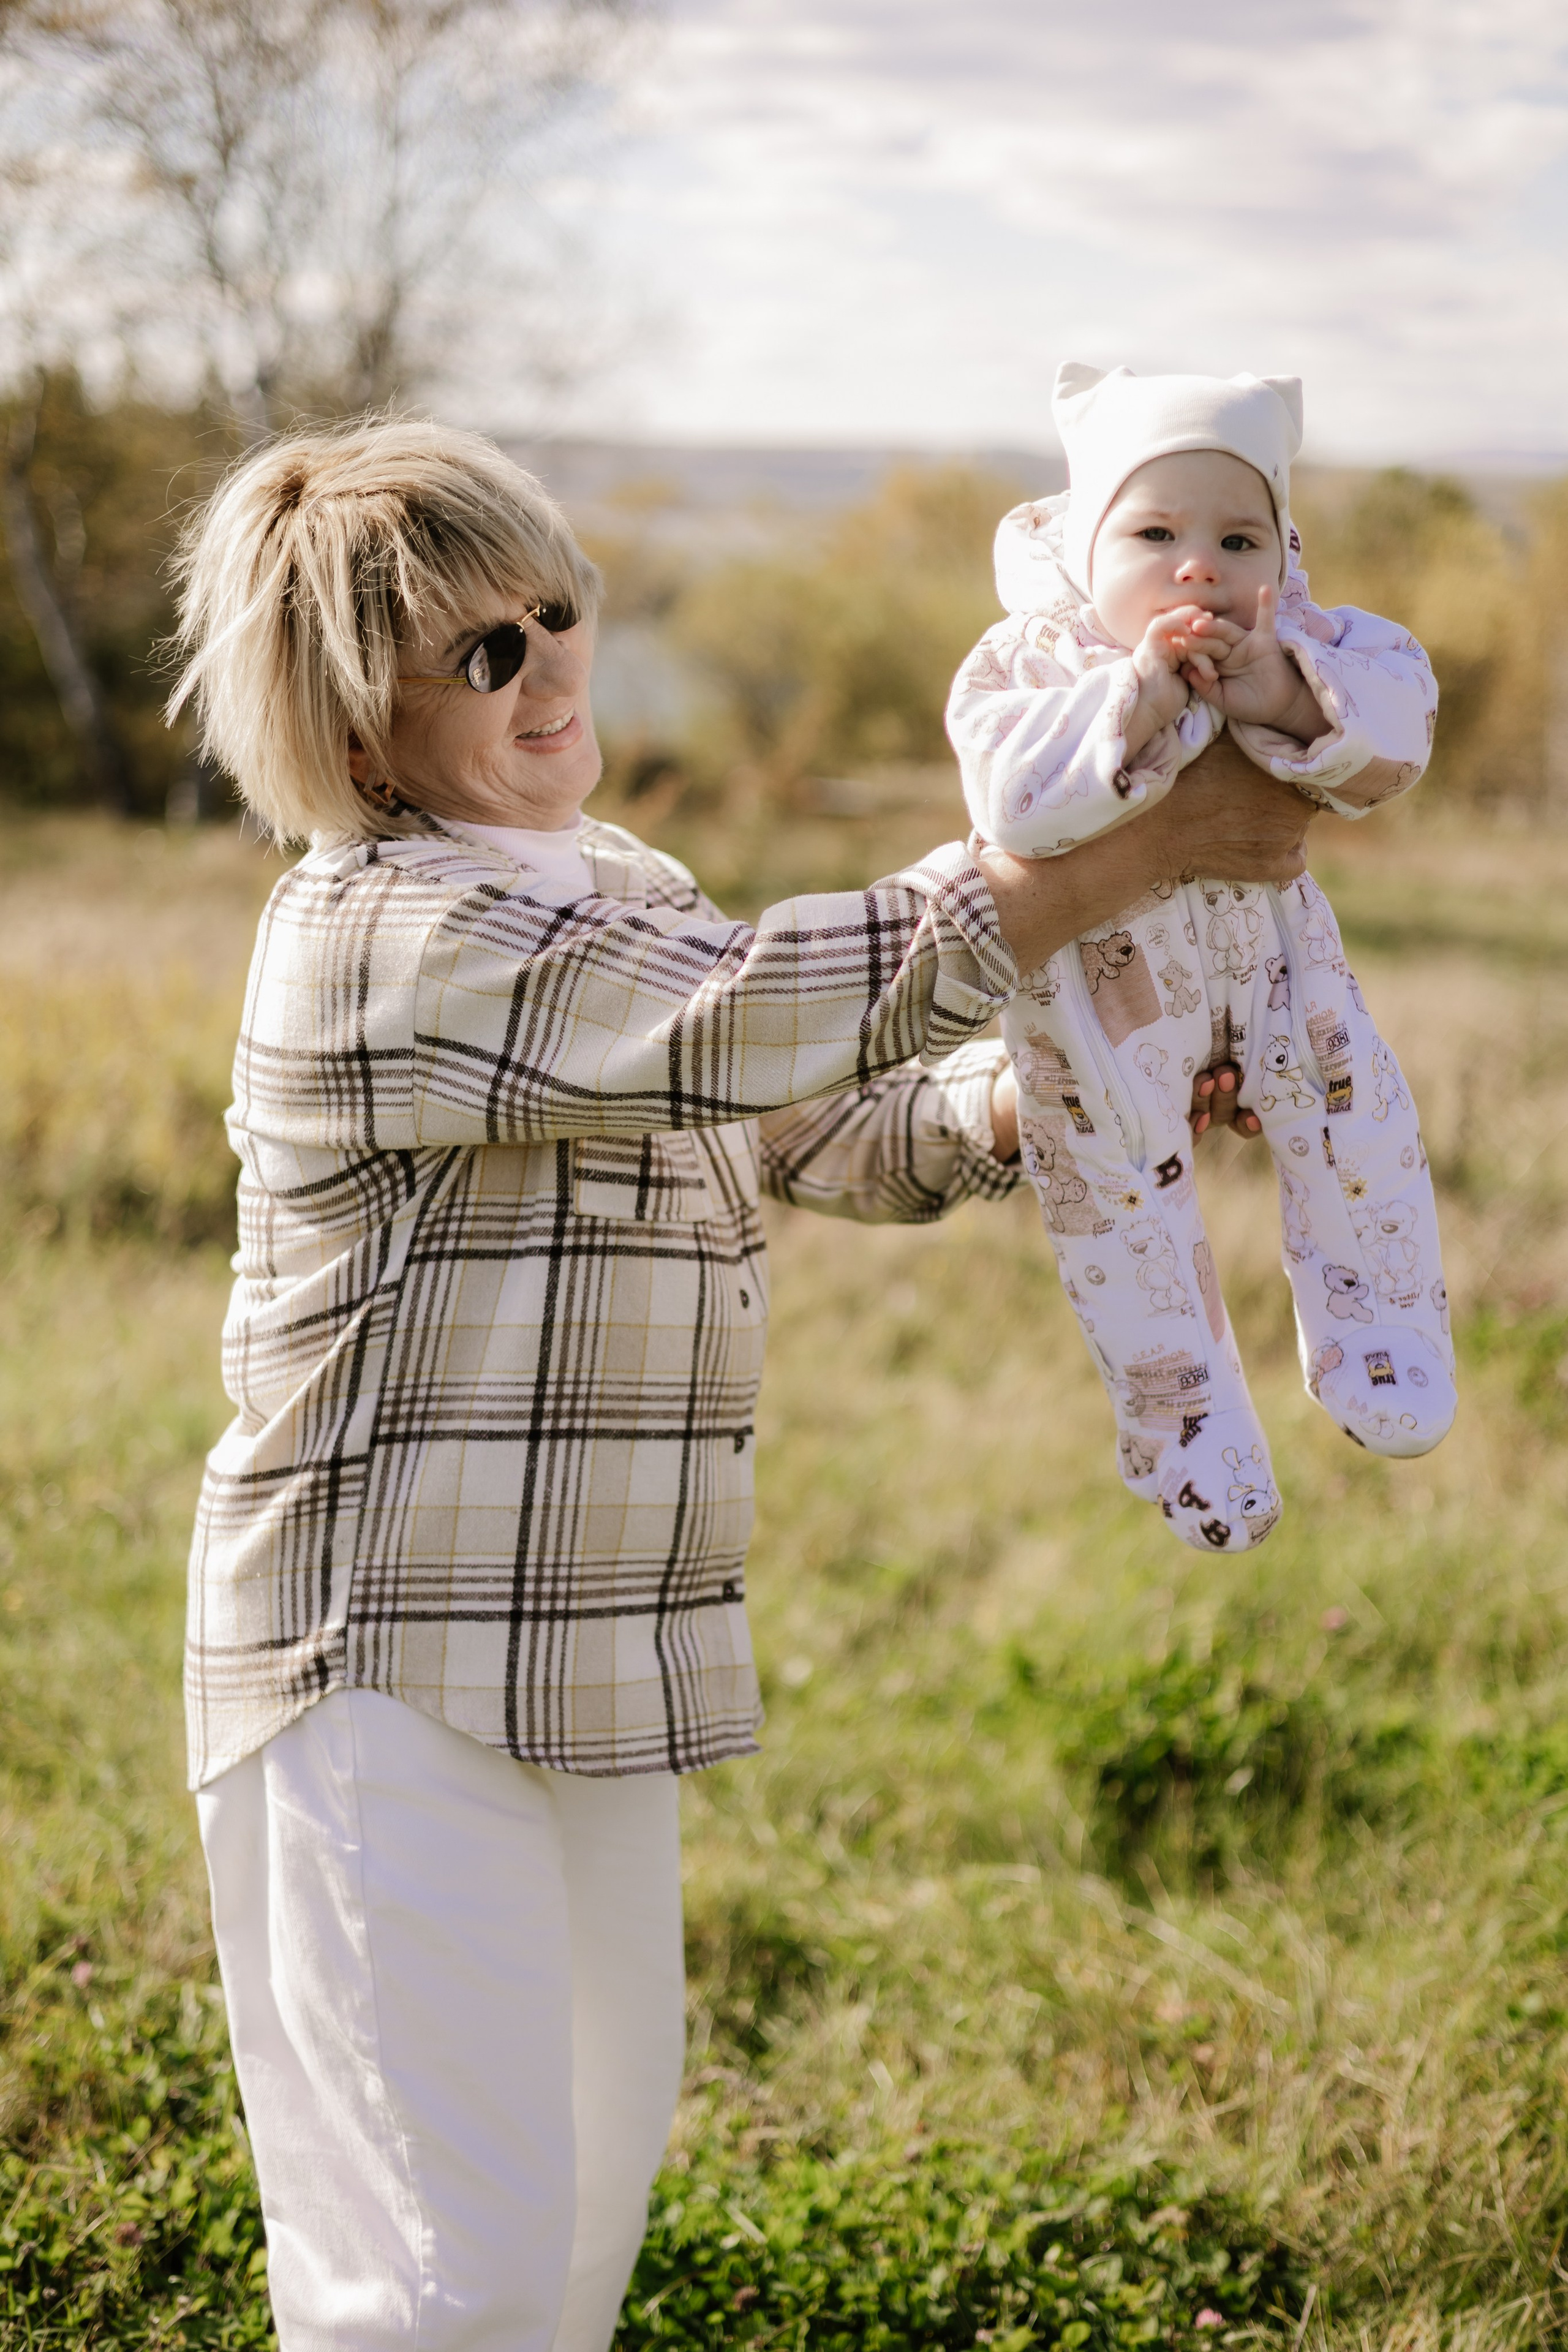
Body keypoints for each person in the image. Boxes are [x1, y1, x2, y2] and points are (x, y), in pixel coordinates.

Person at [168, 417, 1315, 2352]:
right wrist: (1127, 854)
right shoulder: (379, 933)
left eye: (559, 611)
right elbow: (754, 1012)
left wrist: (1053, 1099)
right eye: (484, 651)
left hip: (594, 1661)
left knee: (577, 2230)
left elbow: (809, 1121)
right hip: (387, 1673)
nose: (549, 668)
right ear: (360, 737)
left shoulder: (613, 881)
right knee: (444, 2280)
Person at [946, 364, 1455, 1555]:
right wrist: (1130, 704)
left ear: (1280, 548)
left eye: (1237, 538)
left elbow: (1399, 733)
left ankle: (1386, 1344)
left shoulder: (1306, 639)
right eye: (1154, 535)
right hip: (1100, 1005)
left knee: (1358, 1129)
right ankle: (1186, 1431)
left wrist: (1285, 693)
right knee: (1117, 1200)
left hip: (1284, 975)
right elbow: (1013, 802)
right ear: (1086, 544)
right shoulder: (1033, 661)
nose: (1198, 568)